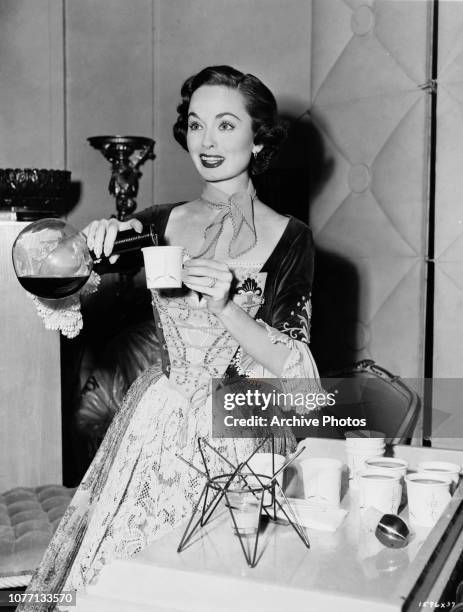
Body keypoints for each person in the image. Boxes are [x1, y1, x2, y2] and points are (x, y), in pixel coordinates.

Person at [18, 65, 320, 610]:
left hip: (239, 432)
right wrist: (88, 246)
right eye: (198, 124)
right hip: (154, 425)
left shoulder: (290, 238)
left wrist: (227, 307)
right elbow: (65, 294)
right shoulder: (158, 223)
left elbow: (295, 370)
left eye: (227, 125)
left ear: (258, 139)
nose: (207, 141)